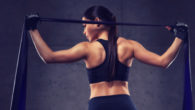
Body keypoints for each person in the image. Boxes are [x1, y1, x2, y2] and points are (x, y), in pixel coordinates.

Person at [25, 5, 188, 110]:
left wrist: (33, 29)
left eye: (84, 26)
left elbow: (48, 56)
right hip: (124, 104)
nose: (84, 31)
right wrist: (179, 36)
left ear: (97, 22)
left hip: (99, 105)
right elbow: (163, 61)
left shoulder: (87, 48)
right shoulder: (129, 46)